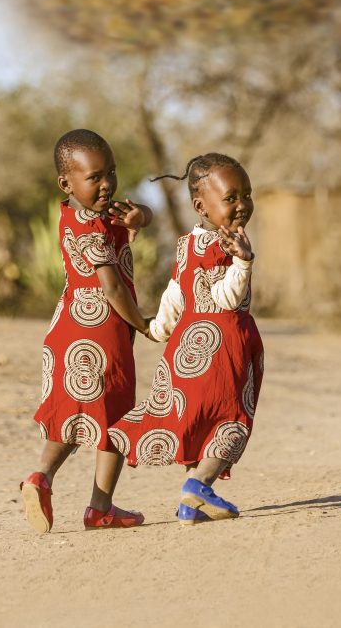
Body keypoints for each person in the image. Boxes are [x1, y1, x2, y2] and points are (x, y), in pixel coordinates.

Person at [110, 153, 263, 525]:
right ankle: (197, 484)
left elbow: (176, 291)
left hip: (186, 347)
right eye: (231, 198)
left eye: (246, 195)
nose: (242, 205)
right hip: (224, 347)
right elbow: (225, 300)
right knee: (231, 420)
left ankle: (190, 505)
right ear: (201, 205)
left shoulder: (186, 244)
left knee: (198, 419)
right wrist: (243, 263)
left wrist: (159, 328)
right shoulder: (226, 247)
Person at [20, 129, 153, 534]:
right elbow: (111, 287)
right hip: (102, 334)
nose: (107, 183)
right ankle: (100, 507)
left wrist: (139, 217)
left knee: (75, 415)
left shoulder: (80, 214)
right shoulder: (92, 228)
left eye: (111, 172)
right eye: (94, 177)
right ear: (67, 182)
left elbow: (142, 213)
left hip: (68, 329)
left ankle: (42, 477)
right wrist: (144, 325)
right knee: (114, 418)